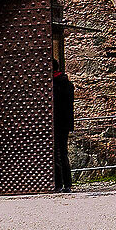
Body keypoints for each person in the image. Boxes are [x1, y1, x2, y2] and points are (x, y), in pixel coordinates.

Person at [52, 53, 75, 193]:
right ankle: (66, 184)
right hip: (64, 123)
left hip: (57, 123)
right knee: (62, 153)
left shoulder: (56, 84)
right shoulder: (67, 83)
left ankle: (60, 184)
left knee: (58, 154)